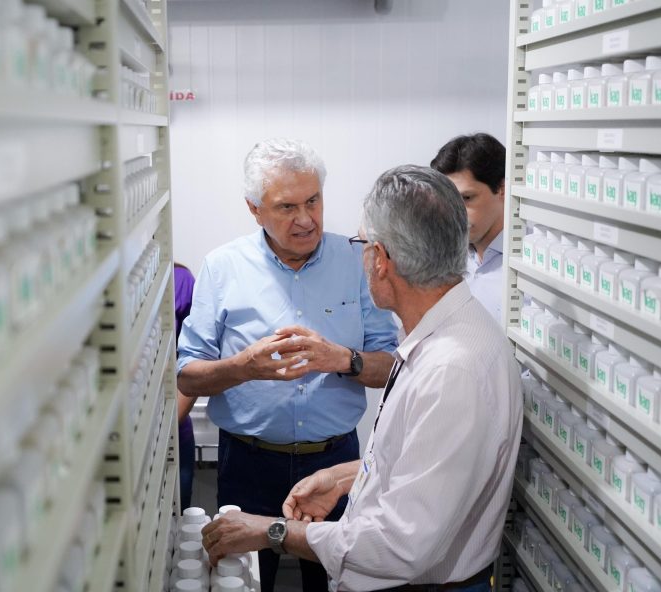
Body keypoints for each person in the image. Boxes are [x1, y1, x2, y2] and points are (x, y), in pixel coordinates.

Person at [200, 165, 523, 592]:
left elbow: (397, 547)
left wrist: (272, 531)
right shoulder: (449, 333)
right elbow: (427, 465)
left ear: (381, 260)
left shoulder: (451, 370)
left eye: (363, 244)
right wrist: (344, 478)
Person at [176, 138, 399, 592]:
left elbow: (392, 366)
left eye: (313, 200)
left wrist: (343, 359)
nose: (305, 219)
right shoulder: (222, 267)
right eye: (287, 207)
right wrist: (243, 367)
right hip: (247, 464)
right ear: (254, 209)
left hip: (336, 464)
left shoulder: (358, 260)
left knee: (336, 583)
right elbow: (187, 375)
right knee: (243, 582)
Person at [431, 133, 507, 323]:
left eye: (467, 198)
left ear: (502, 189)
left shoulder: (531, 265)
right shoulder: (442, 258)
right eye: (448, 200)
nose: (455, 212)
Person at [173, 263, 198, 510]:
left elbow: (195, 358)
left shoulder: (180, 279)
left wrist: (167, 429)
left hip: (173, 426)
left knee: (176, 517)